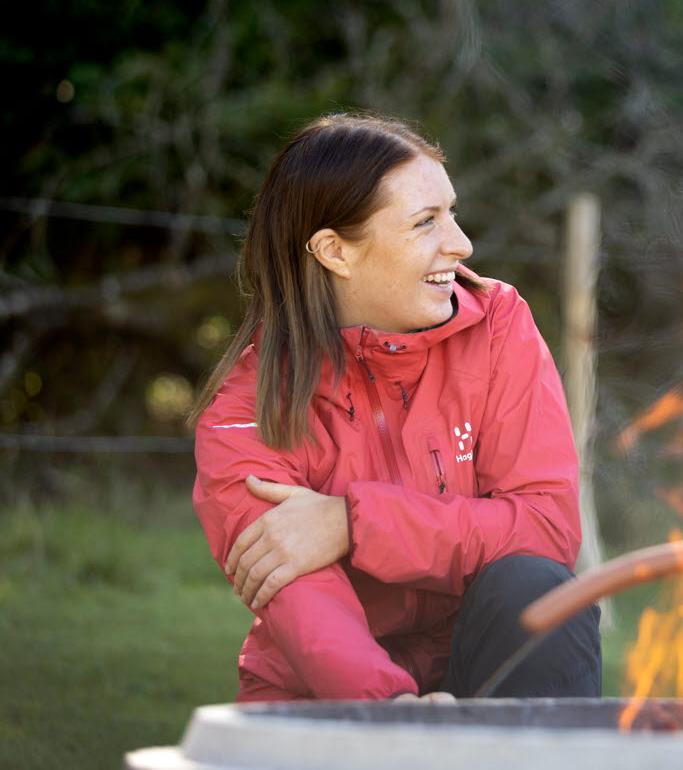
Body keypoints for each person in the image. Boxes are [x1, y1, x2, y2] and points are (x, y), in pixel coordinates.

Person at [190, 113, 602, 702]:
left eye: (451, 212)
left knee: (539, 588)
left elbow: (546, 530)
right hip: (333, 702)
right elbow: (308, 611)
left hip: (483, 668)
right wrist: (396, 714)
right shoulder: (244, 413)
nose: (460, 244)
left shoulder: (499, 325)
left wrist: (355, 523)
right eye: (425, 222)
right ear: (335, 251)